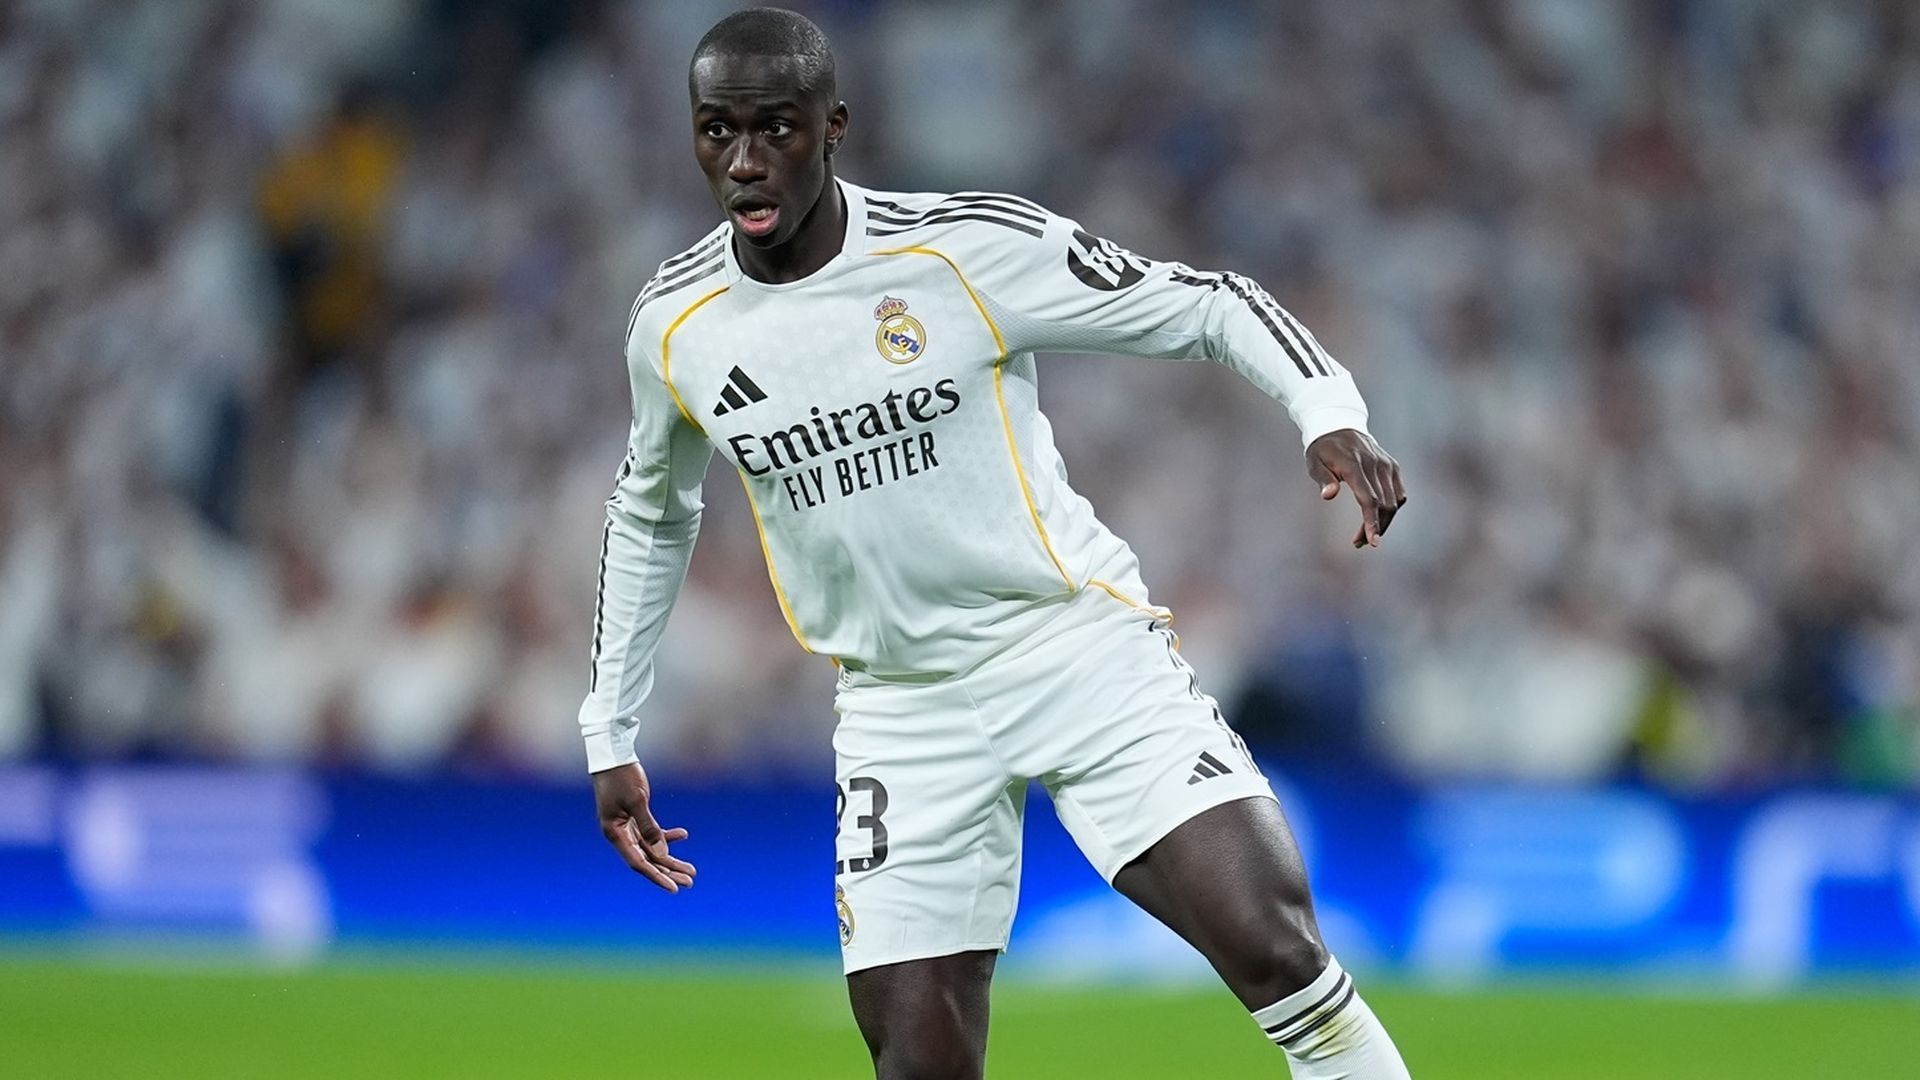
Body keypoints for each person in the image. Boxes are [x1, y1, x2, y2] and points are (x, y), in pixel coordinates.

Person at [579, 9, 1412, 1078]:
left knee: (1277, 949)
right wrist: (610, 727)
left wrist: (1324, 405)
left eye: (776, 130)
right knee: (918, 1065)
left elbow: (1207, 302)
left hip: (1068, 648)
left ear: (834, 127)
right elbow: (651, 510)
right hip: (896, 703)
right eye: (716, 132)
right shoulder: (675, 322)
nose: (743, 162)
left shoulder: (961, 250)